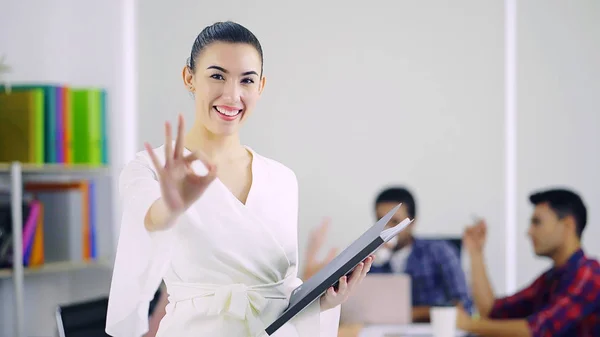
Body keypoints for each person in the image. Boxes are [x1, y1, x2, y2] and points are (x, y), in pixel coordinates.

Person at [105, 21, 373, 337]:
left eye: (246, 80)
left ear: (261, 86)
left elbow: (279, 296)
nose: (232, 95)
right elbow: (151, 218)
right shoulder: (152, 168)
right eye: (217, 76)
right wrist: (172, 206)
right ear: (189, 78)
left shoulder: (282, 179)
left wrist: (323, 302)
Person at [458, 188, 600, 336]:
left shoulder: (589, 275)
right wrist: (476, 252)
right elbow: (492, 311)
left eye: (537, 222)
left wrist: (468, 323)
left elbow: (537, 330)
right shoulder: (551, 279)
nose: (529, 232)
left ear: (567, 225)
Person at [368, 187, 472, 322]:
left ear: (412, 222)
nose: (387, 229)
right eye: (381, 222)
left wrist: (411, 313)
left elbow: (464, 307)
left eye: (395, 222)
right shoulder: (369, 260)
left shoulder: (439, 252)